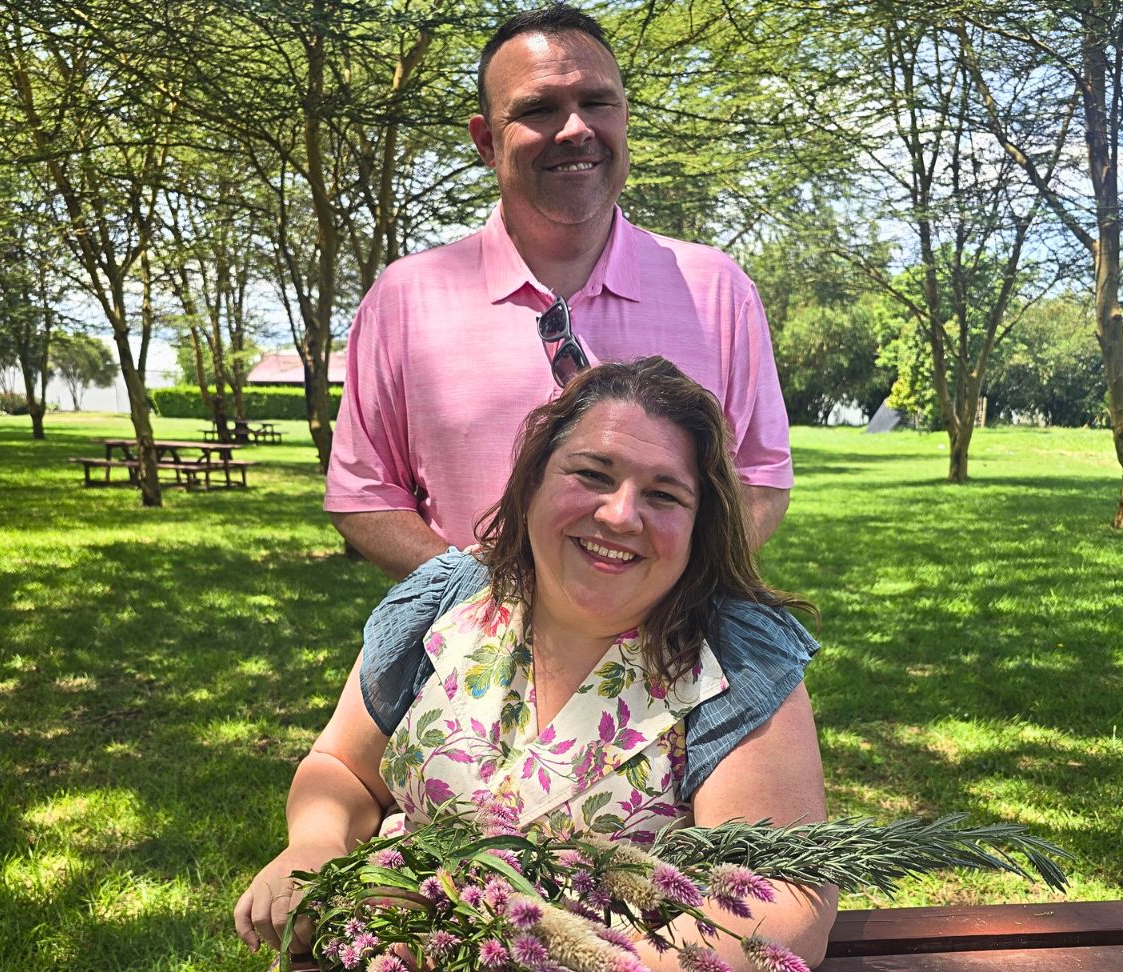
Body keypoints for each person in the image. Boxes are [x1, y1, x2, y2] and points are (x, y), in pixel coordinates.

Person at [148, 358, 835, 972]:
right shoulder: (443, 605)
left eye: (664, 493)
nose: (620, 514)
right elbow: (340, 768)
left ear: (700, 523)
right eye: (592, 473)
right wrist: (312, 849)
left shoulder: (732, 658)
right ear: (534, 480)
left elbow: (784, 909)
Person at [324, 5, 793, 580]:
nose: (575, 129)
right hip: (466, 657)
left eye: (598, 103)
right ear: (487, 142)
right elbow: (363, 494)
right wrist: (482, 598)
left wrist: (663, 587)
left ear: (624, 117)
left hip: (669, 655)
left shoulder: (718, 291)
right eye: (539, 109)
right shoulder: (404, 300)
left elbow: (761, 476)